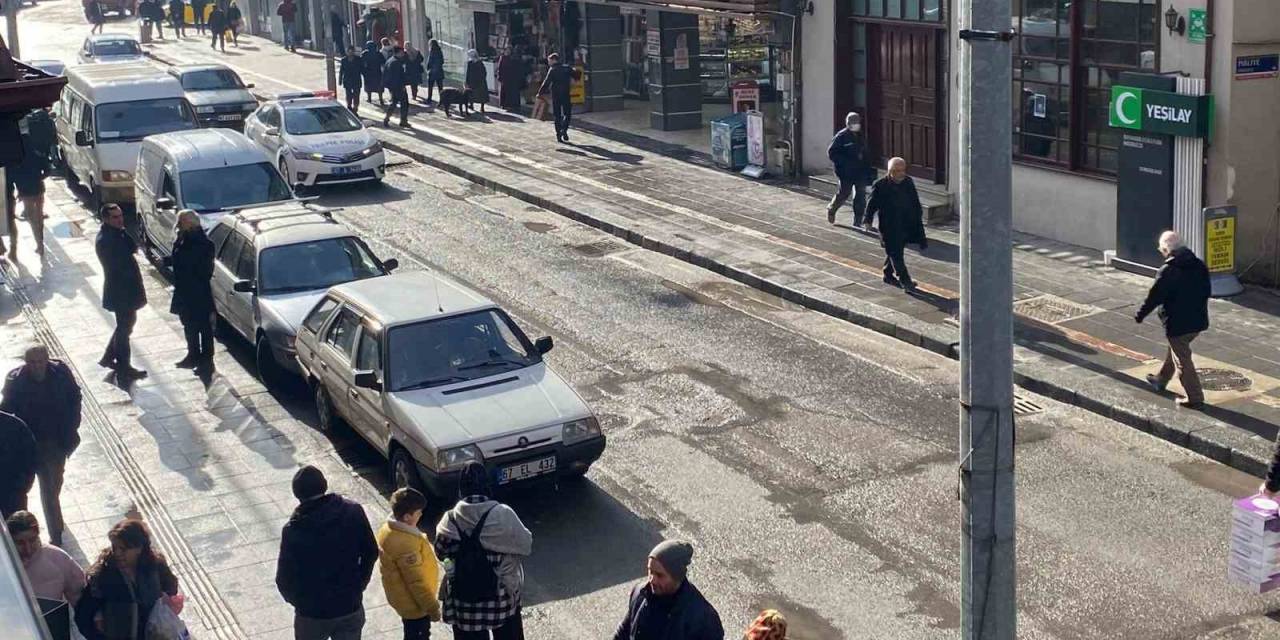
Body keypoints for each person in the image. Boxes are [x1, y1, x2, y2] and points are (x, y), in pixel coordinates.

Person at [276, 465, 378, 640]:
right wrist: (359, 584)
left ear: (297, 494)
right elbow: (371, 551)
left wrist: (300, 602)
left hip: (311, 613)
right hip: (349, 604)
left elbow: (284, 578)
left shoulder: (293, 530)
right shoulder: (353, 512)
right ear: (324, 485)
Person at [435, 462, 532, 640]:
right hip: (500, 598)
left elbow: (441, 553)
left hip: (463, 601)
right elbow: (526, 545)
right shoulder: (503, 514)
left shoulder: (448, 520)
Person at [1, 344, 82, 546]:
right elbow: (7, 411)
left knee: (52, 488)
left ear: (47, 360)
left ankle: (55, 530)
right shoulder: (16, 381)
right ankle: (43, 535)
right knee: (27, 492)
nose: (36, 366)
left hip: (54, 443)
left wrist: (71, 427)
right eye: (31, 362)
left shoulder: (61, 374)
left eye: (40, 361)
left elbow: (75, 397)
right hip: (26, 445)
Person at [1136, 230, 1211, 409]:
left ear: (1165, 250)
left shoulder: (1168, 270)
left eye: (1161, 250)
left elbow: (1154, 297)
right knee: (1177, 349)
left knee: (1182, 359)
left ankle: (1194, 397)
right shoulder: (1199, 265)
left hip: (1178, 323)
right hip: (1198, 320)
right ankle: (1161, 379)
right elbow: (1207, 291)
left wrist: (1140, 314)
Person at [76, 519, 179, 640]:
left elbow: (171, 587)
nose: (118, 553)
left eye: (123, 549)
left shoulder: (155, 566)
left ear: (139, 548)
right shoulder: (103, 576)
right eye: (115, 547)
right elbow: (83, 616)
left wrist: (164, 600)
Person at [612, 540, 724, 640]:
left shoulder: (702, 618)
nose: (652, 580)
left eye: (659, 575)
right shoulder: (639, 593)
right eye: (650, 571)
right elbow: (624, 632)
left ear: (676, 576)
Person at [377, 488, 442, 640]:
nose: (421, 515)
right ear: (407, 517)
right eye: (418, 512)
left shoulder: (389, 529)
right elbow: (416, 582)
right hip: (415, 605)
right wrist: (432, 608)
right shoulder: (406, 545)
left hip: (404, 600)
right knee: (418, 634)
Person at [95, 203, 148, 380]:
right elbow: (118, 265)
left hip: (127, 289)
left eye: (120, 216)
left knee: (126, 325)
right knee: (124, 328)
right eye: (115, 218)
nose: (120, 220)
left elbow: (133, 247)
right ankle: (123, 366)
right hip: (121, 291)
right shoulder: (107, 240)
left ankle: (109, 357)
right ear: (106, 219)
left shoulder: (118, 233)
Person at [864, 157, 927, 292]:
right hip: (889, 225)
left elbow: (915, 201)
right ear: (890, 171)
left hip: (905, 223)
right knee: (895, 252)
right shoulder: (880, 185)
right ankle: (906, 281)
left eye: (903, 170)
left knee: (896, 249)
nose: (901, 174)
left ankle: (887, 273)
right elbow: (871, 204)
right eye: (897, 171)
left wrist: (918, 217)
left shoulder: (908, 182)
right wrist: (867, 220)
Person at [165, 211, 216, 371]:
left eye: (181, 221)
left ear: (190, 223)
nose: (178, 224)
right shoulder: (182, 239)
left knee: (203, 327)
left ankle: (206, 360)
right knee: (188, 325)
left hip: (198, 293)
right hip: (183, 291)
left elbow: (204, 271)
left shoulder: (203, 244)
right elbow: (178, 258)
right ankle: (192, 355)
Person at [3, 108, 56, 258]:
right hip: (31, 176)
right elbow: (43, 164)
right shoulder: (28, 139)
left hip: (15, 174)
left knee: (12, 214)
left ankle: (13, 249)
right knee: (35, 213)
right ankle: (39, 244)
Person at [8, 511, 86, 604]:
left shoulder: (57, 558)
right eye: (20, 543)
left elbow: (79, 596)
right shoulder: (4, 564)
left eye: (32, 540)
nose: (27, 549)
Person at [827, 112, 873, 227]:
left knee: (860, 196)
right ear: (848, 124)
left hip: (860, 171)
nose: (856, 125)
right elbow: (832, 153)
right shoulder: (841, 136)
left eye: (857, 123)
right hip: (845, 172)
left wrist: (868, 168)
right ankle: (832, 209)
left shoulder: (861, 136)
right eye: (853, 123)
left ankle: (857, 221)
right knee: (844, 193)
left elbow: (866, 152)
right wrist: (845, 163)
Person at [0, 410, 37, 519]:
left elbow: (29, 461)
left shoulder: (15, 426)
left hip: (12, 497)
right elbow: (31, 461)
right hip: (14, 497)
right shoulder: (15, 424)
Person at [537, 53, 580, 143]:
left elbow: (546, 82)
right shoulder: (566, 67)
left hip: (556, 94)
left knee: (557, 115)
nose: (548, 62)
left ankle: (558, 135)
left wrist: (540, 93)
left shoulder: (553, 69)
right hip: (566, 93)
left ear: (553, 60)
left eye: (549, 60)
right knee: (567, 113)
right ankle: (564, 129)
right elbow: (577, 74)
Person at [382, 47, 411, 129]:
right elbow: (398, 76)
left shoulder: (390, 60)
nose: (403, 54)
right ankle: (403, 120)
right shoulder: (396, 63)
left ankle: (387, 118)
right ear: (398, 52)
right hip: (398, 86)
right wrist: (402, 86)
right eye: (401, 52)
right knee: (404, 103)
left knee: (394, 103)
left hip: (392, 86)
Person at [496, 47, 523, 112]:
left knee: (514, 93)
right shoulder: (503, 58)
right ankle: (505, 105)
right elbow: (500, 68)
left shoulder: (515, 58)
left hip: (513, 78)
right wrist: (499, 77)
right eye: (507, 51)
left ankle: (514, 105)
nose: (508, 52)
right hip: (505, 78)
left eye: (509, 51)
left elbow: (519, 68)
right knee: (505, 92)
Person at [340, 47, 364, 113]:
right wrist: (340, 80)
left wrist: (366, 76)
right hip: (347, 80)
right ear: (347, 52)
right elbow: (341, 71)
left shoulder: (358, 59)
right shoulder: (344, 60)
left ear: (353, 52)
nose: (350, 53)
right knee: (348, 95)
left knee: (356, 95)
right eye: (349, 52)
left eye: (352, 52)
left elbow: (362, 69)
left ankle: (355, 108)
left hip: (356, 80)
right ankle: (349, 106)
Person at [361, 41, 385, 106]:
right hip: (377, 72)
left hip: (368, 73)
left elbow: (362, 63)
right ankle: (381, 99)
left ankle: (369, 98)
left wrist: (363, 71)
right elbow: (383, 62)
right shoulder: (378, 53)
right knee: (379, 86)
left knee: (369, 87)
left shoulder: (365, 53)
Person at [464, 49, 488, 115]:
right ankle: (472, 105)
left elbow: (483, 72)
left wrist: (482, 78)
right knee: (472, 93)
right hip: (474, 80)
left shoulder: (479, 63)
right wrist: (467, 81)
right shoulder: (470, 63)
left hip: (478, 80)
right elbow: (468, 73)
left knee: (481, 94)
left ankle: (482, 107)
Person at [424, 39, 444, 104]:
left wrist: (430, 69)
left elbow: (431, 62)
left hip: (433, 72)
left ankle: (430, 99)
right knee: (440, 87)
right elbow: (441, 61)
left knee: (430, 86)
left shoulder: (433, 52)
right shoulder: (439, 51)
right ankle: (442, 99)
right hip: (439, 72)